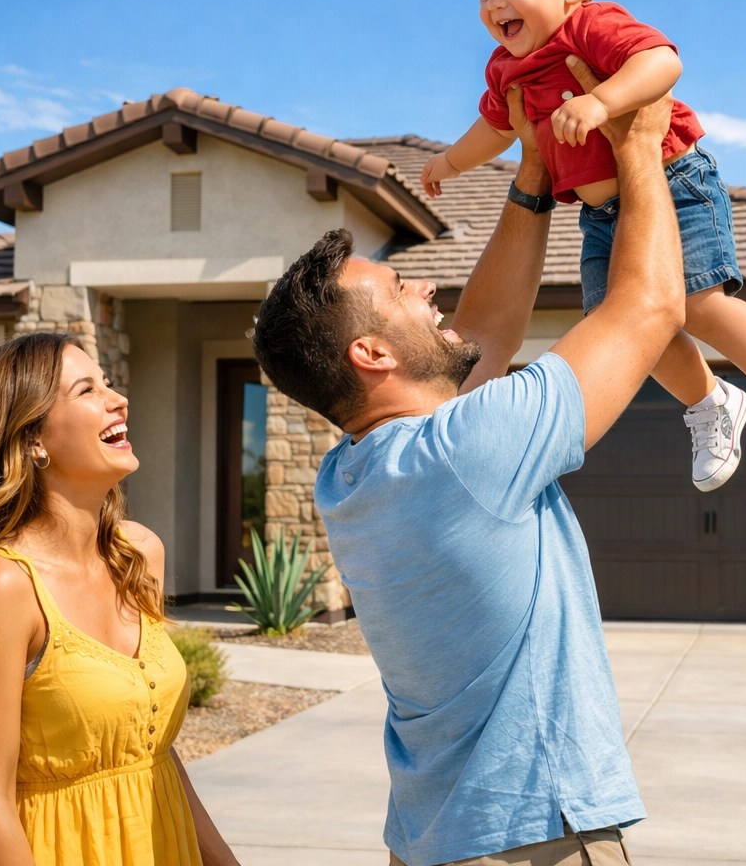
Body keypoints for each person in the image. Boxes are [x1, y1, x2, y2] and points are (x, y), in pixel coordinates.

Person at [253, 66, 683, 866]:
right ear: (372, 352)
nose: (424, 285)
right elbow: (649, 307)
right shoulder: (463, 453)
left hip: (436, 839)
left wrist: (530, 175)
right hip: (531, 838)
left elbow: (481, 333)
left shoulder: (353, 475)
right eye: (397, 288)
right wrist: (642, 146)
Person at [419, 0, 746, 492]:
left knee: (693, 300)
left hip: (673, 183)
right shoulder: (504, 67)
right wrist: (449, 163)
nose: (496, 4)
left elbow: (661, 62)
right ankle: (711, 402)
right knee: (619, 320)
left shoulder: (592, 25)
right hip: (601, 215)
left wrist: (602, 99)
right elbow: (495, 126)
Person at [0, 332, 241, 866]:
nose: (118, 399)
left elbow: (153, 752)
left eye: (109, 383)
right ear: (33, 439)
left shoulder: (139, 556)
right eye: (87, 390)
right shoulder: (1, 586)